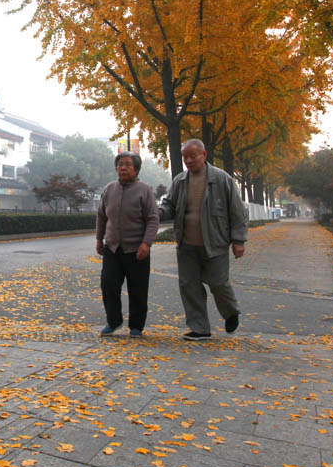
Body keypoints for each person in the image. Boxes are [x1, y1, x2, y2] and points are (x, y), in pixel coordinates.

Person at [159, 139, 247, 341]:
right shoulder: (180, 180)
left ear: (204, 155)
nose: (189, 160)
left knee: (218, 283)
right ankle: (199, 328)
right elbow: (169, 205)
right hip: (187, 244)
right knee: (188, 285)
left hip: (214, 243)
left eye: (193, 156)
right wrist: (159, 212)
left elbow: (238, 211)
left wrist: (239, 240)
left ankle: (230, 312)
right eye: (185, 157)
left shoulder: (222, 179)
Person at [95, 151, 160, 337]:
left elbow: (153, 219)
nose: (122, 168)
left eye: (127, 164)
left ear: (136, 169)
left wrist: (146, 243)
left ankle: (136, 326)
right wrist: (99, 239)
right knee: (108, 284)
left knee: (138, 289)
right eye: (120, 164)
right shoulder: (109, 189)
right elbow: (101, 216)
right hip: (112, 248)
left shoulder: (145, 190)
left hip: (137, 250)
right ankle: (113, 321)